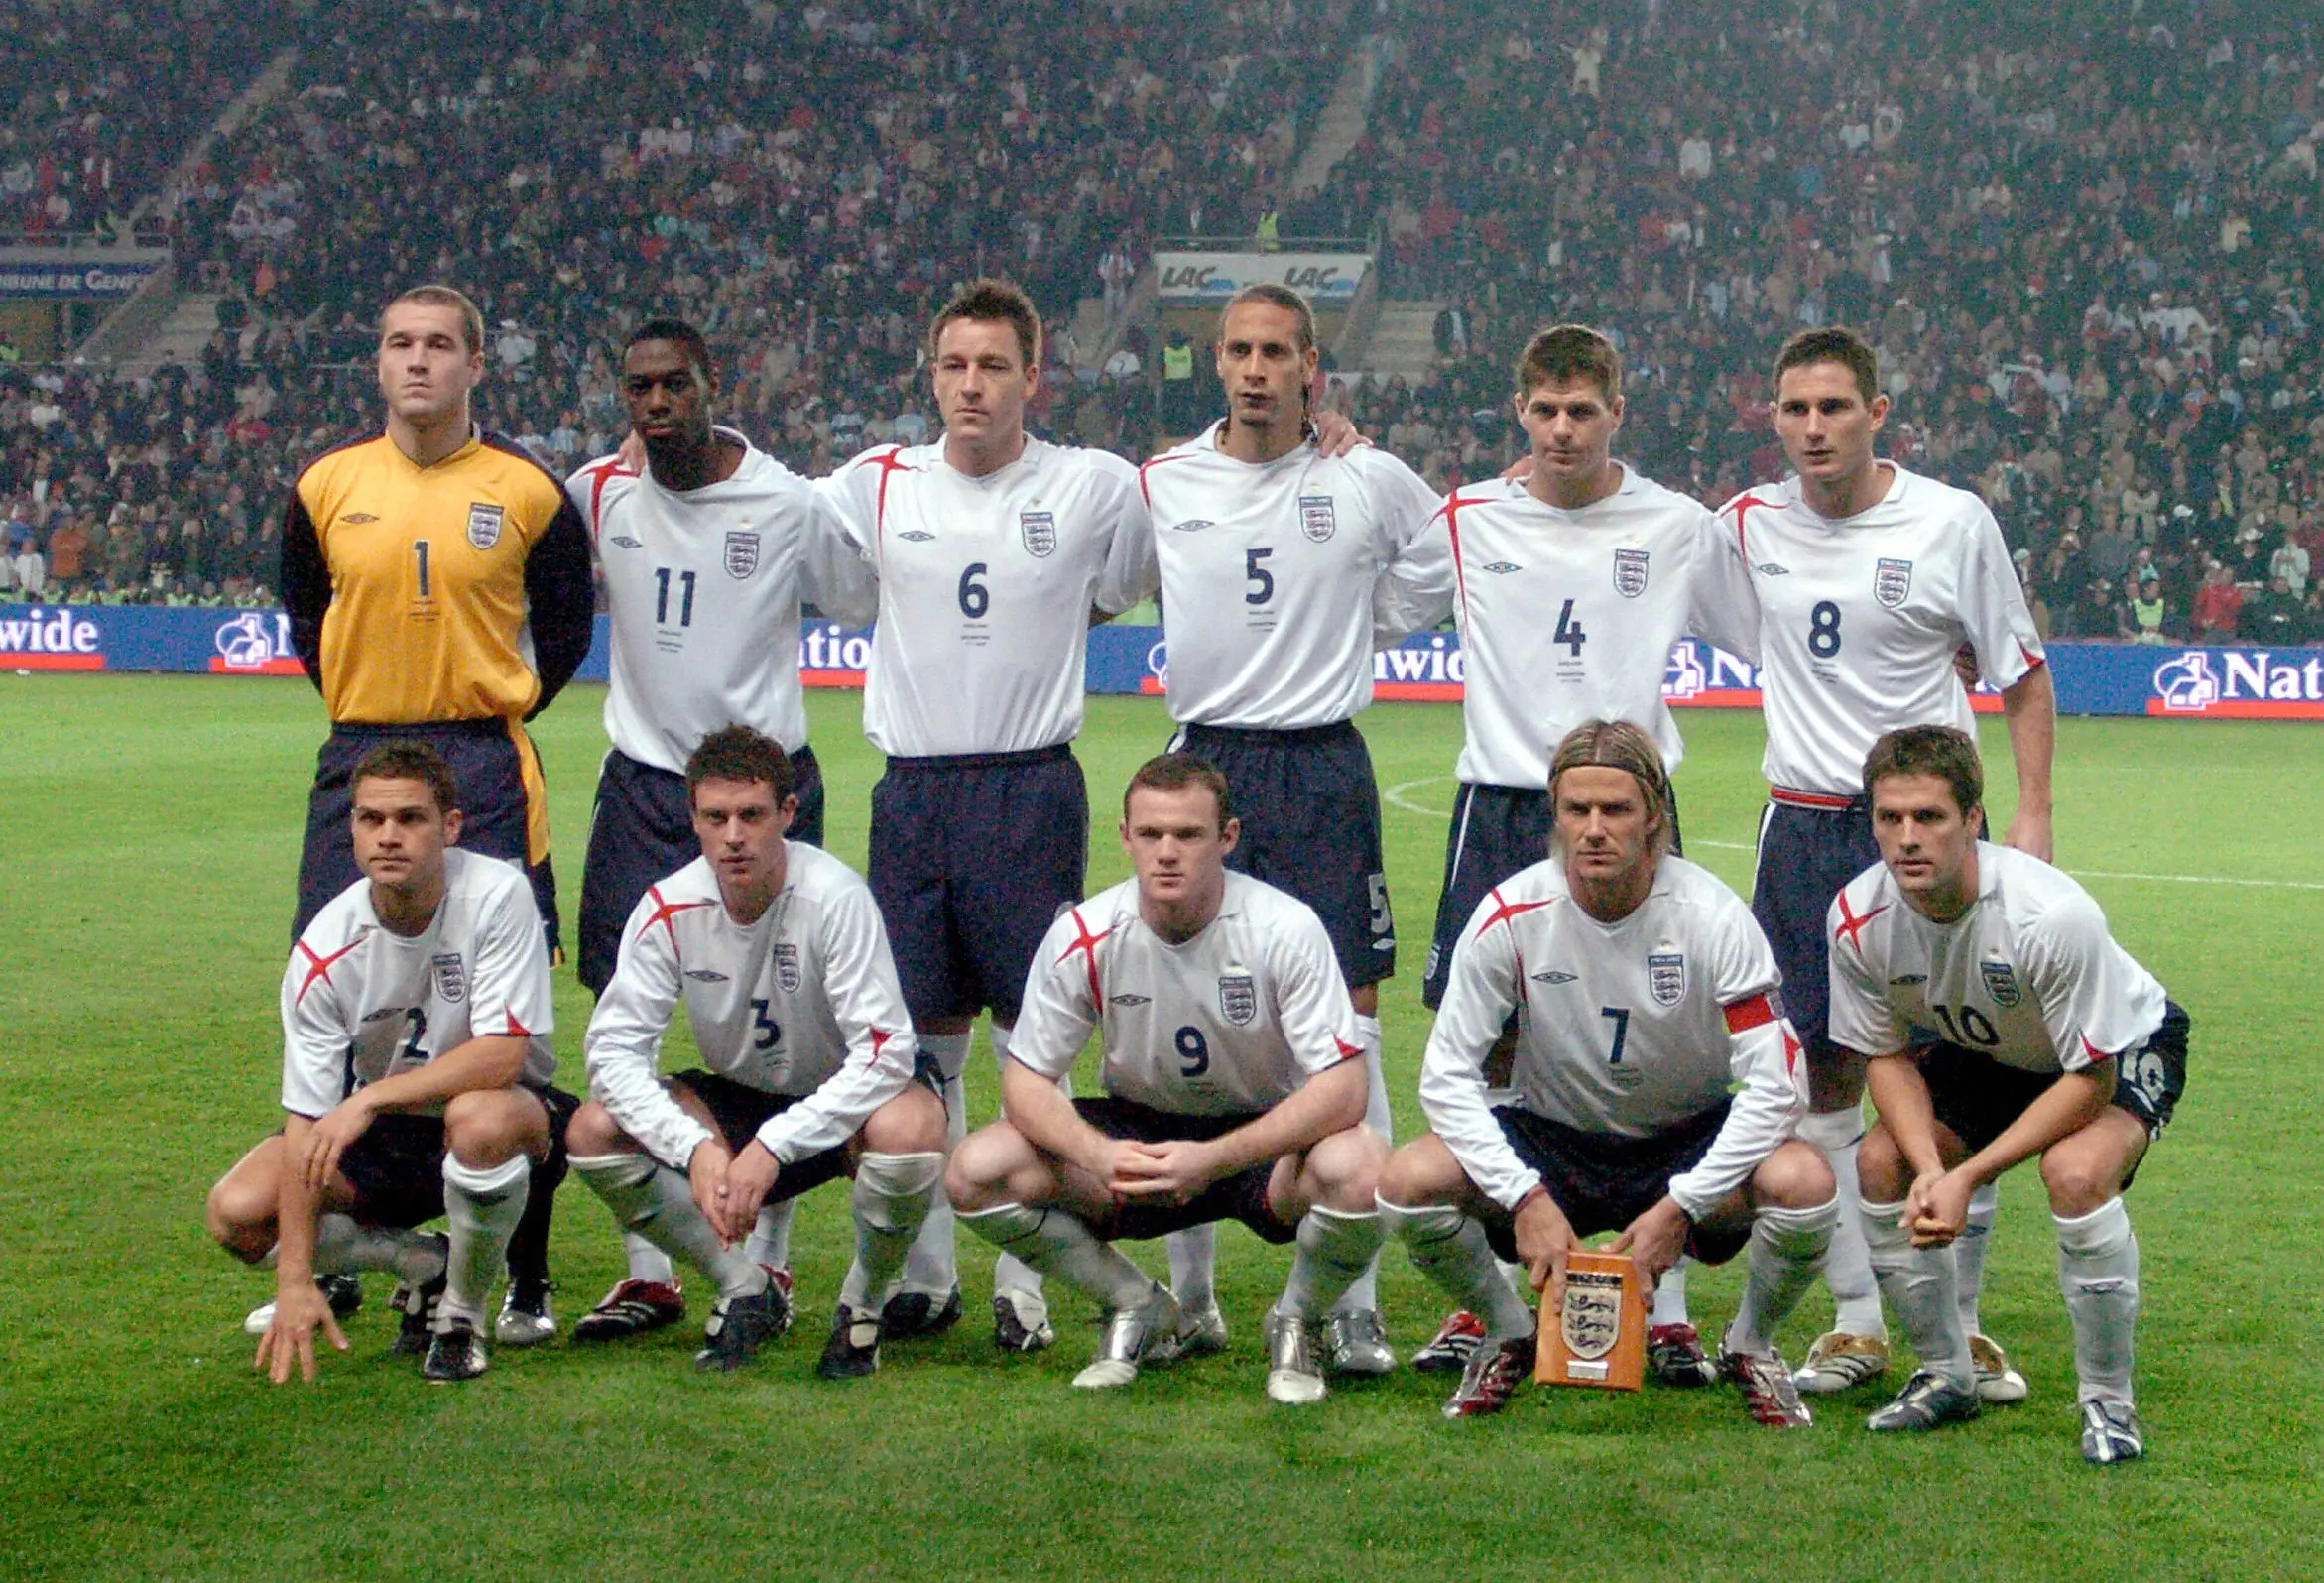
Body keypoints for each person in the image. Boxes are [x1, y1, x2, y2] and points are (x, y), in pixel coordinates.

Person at [1405, 323, 1751, 1384]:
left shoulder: (1679, 526)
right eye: (1545, 411)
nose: (1562, 430)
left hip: (1628, 801)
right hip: (1502, 799)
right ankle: (1498, 1295)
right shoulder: (1467, 515)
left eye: (1582, 411)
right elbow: (1373, 602)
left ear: (1616, 415)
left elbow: (1759, 623)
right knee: (1497, 1052)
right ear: (1520, 412)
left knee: (1669, 1039)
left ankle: (1669, 1296)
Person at [814, 278, 1155, 1353]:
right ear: (932, 377)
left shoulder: (1094, 486)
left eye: (994, 365)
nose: (972, 385)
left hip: (1027, 786)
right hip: (911, 791)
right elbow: (758, 504)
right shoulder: (874, 483)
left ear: (1031, 378)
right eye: (955, 366)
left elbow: (1119, 590)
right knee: (919, 1044)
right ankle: (927, 1278)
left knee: (1032, 1044)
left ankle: (1025, 1277)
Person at [1715, 326, 2054, 1401]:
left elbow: (2022, 671)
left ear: (1875, 414)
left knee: (1968, 1075)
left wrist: (2034, 823)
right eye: (1794, 410)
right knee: (1822, 1071)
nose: (1813, 428)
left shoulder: (1951, 522)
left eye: (1834, 408)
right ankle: (1860, 1320)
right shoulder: (1743, 527)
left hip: (1929, 835)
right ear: (1773, 419)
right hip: (1804, 828)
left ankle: (1961, 1320)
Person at [1135, 282, 1448, 1376]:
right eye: (1239, 350)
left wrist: (1368, 614)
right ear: (1215, 363)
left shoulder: (1362, 474)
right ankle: (1191, 1299)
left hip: (1321, 765)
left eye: (1278, 351)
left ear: (1315, 367)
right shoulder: (1165, 480)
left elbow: (1440, 558)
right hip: (1204, 757)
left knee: (1348, 1017)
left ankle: (1350, 1299)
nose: (1257, 368)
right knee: (1181, 1016)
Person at [277, 284, 594, 1346]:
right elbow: (303, 618)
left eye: (440, 346)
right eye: (400, 344)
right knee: (336, 1005)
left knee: (505, 1030)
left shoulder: (529, 492)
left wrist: (480, 715)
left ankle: (525, 1278)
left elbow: (562, 632)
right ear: (378, 362)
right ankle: (350, 1254)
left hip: (482, 759)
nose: (418, 362)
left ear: (475, 363)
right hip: (358, 753)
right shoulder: (325, 486)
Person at [1376, 721, 1836, 1423]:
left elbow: (1776, 1085)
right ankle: (1507, 1334)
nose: (1593, 830)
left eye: (1614, 811)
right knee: (1407, 1180)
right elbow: (1443, 1076)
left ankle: (1750, 1343)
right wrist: (1521, 1196)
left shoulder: (1712, 917)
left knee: (1802, 1181)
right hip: (1553, 1138)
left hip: (1686, 1137)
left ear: (1653, 816)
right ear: (1553, 816)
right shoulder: (1509, 913)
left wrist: (1683, 1204)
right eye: (1576, 810)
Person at [945, 754, 1387, 1402]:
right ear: (1124, 837)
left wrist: (1212, 1158)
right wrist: (1098, 1154)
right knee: (976, 1168)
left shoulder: (1283, 927)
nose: (1167, 853)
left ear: (1227, 838)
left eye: (1189, 834)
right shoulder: (1086, 935)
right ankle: (1137, 1304)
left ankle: (1296, 1319)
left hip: (1257, 1138)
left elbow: (1344, 1090)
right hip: (1139, 1139)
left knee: (1366, 1168)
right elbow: (1026, 1083)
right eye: (1150, 835)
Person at [560, 317, 837, 1345]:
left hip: (761, 786)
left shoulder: (788, 501)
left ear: (715, 383)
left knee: (790, 1019)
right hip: (644, 785)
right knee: (620, 1019)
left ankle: (770, 1260)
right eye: (639, 387)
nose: (657, 402)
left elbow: (859, 587)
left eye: (676, 383)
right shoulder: (599, 492)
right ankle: (655, 1271)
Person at [1829, 726, 2187, 1463]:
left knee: (2076, 1174)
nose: (1905, 839)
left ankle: (2107, 1403)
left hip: (2116, 1045)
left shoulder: (2046, 915)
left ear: (1971, 820)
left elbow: (2089, 1081)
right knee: (1880, 1164)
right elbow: (1885, 1057)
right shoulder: (1857, 919)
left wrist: (1966, 1176)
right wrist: (1929, 1168)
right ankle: (1944, 1375)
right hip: (1994, 1045)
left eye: (1927, 817)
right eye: (1887, 818)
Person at [568, 726, 944, 1376]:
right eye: (715, 818)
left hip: (842, 1094)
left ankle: (861, 1307)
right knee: (593, 1129)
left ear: (788, 814)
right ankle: (746, 1286)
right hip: (739, 1096)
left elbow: (885, 1052)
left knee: (910, 1125)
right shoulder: (667, 907)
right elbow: (611, 1056)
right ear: (693, 820)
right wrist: (697, 1148)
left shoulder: (834, 897)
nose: (733, 836)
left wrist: (774, 1146)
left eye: (751, 815)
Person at [203, 743, 573, 1385]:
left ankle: (461, 1313)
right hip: (392, 1133)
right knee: (237, 1211)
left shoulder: (496, 894)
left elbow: (502, 1055)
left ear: (450, 827)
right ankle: (422, 1264)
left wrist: (368, 1099)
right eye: (371, 820)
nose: (389, 837)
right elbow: (305, 1125)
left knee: (478, 1119)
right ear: (351, 828)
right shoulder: (323, 949)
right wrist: (294, 1278)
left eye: (410, 818)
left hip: (511, 1116)